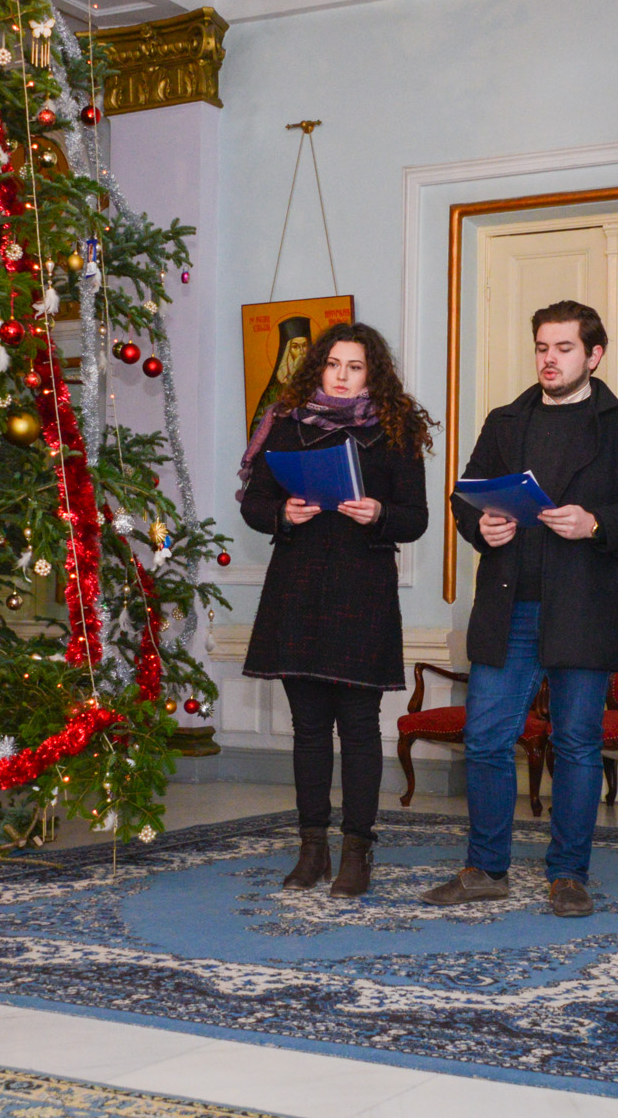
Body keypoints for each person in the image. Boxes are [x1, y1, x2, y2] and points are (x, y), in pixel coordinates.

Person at [423, 301, 618, 915]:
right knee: (485, 740)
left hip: (585, 604)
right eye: (541, 347)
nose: (549, 360)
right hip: (510, 606)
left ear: (594, 355)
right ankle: (485, 868)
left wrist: (597, 522)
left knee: (577, 745)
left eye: (563, 348)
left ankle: (568, 875)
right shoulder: (506, 420)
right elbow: (466, 497)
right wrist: (483, 527)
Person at [239, 322, 433, 897]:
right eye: (334, 365)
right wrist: (282, 514)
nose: (343, 376)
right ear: (318, 367)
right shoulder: (286, 422)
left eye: (355, 367)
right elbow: (254, 502)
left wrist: (379, 512)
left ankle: (357, 853)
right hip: (297, 587)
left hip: (363, 589)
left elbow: (417, 517)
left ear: (372, 374)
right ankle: (312, 851)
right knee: (307, 730)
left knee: (359, 728)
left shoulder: (395, 431)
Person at [249, 316, 312, 438]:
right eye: (295, 347)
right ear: (287, 352)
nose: (301, 352)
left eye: (304, 345)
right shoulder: (275, 390)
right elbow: (257, 428)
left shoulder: (317, 384)